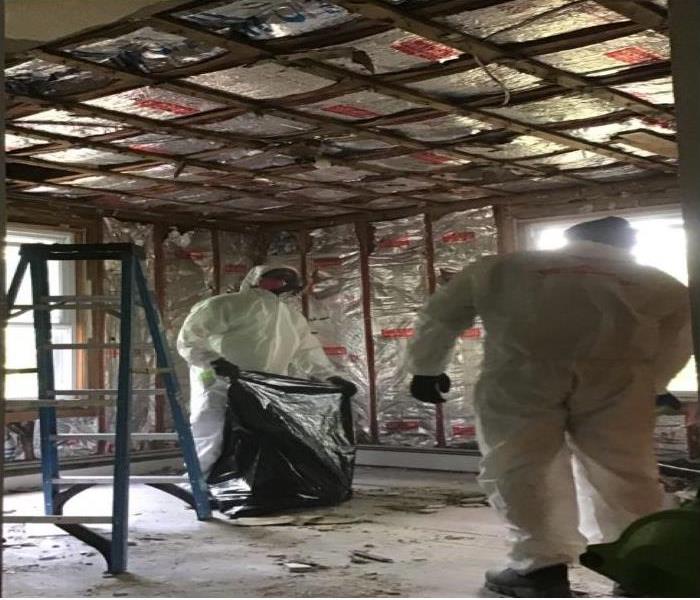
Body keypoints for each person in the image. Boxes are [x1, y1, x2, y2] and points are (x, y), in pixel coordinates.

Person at [405, 217, 692, 597]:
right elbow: (680, 338)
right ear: (628, 243)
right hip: (619, 378)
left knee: (521, 464)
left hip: (522, 373)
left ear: (568, 239)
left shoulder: (503, 268)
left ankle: (540, 568)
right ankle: (640, 566)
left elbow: (441, 315)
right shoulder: (658, 282)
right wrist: (654, 384)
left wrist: (426, 369)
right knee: (625, 470)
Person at [177, 264, 356, 477]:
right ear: (254, 279)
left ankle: (247, 483)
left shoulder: (290, 317)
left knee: (259, 435)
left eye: (285, 279)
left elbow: (307, 352)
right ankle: (199, 483)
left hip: (265, 389)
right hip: (220, 384)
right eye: (274, 277)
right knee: (213, 430)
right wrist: (214, 361)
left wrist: (331, 377)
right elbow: (190, 338)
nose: (280, 283)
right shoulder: (224, 305)